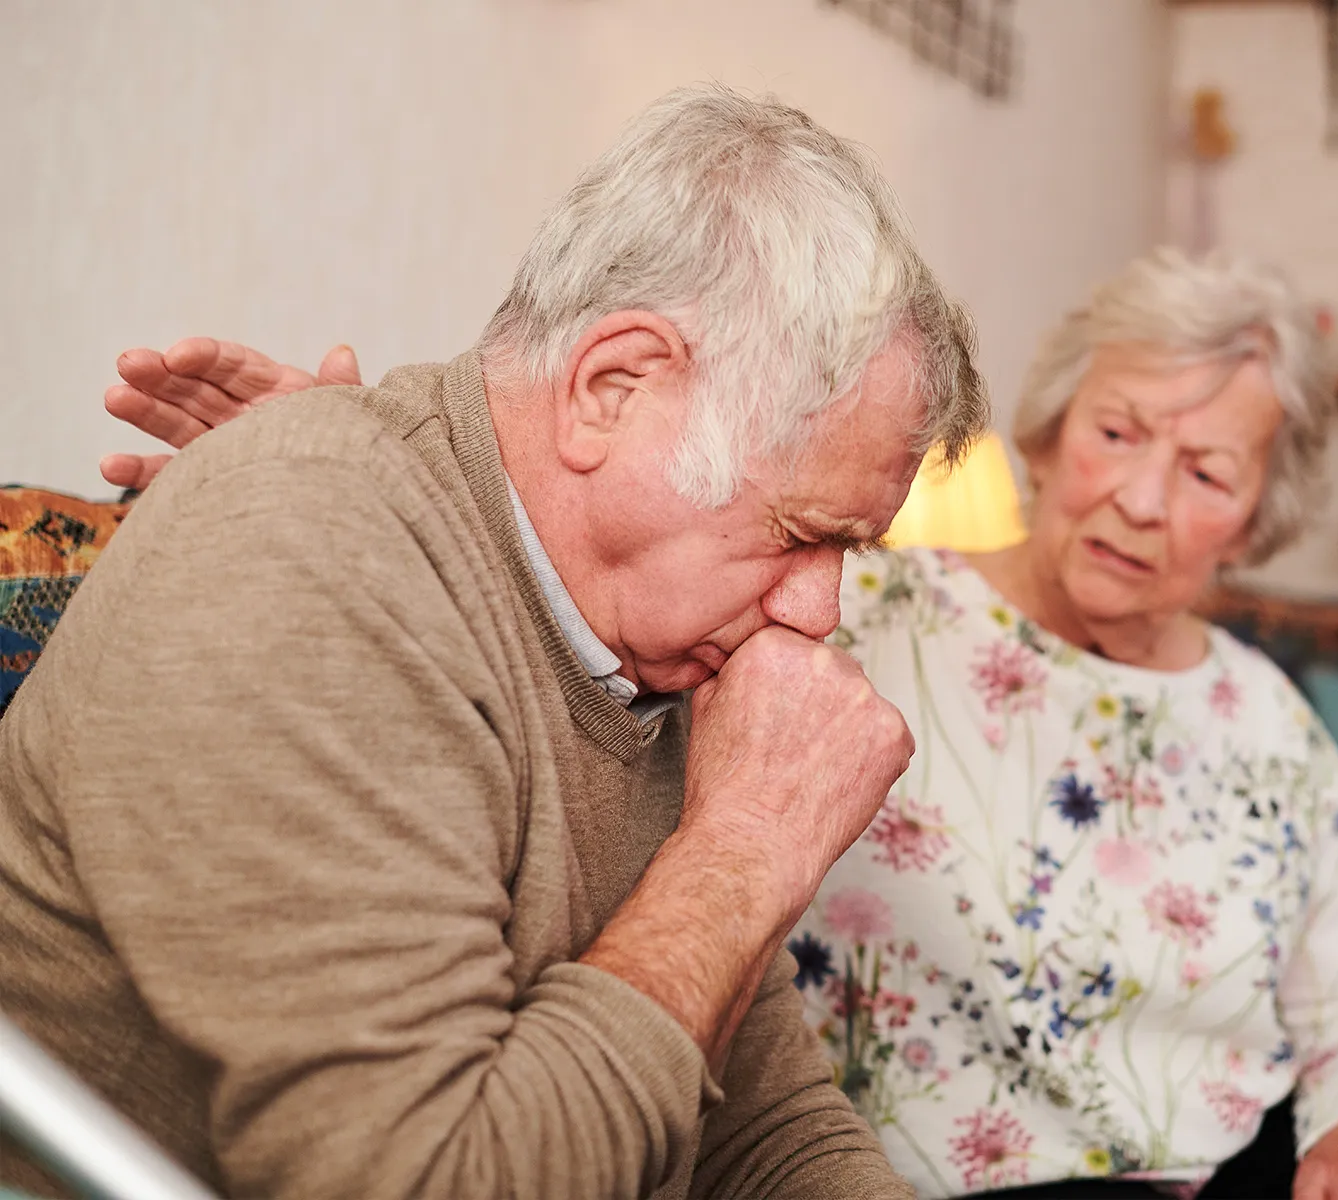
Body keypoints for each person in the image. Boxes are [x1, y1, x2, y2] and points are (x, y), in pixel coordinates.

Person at [96, 253, 1338, 1200]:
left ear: (1263, 515)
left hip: (1241, 1170)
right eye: (1119, 434)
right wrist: (354, 470)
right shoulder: (846, 610)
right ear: (1053, 434)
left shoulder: (1266, 721)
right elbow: (595, 563)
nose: (1140, 495)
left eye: (1206, 471)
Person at [0, 85, 987, 1200]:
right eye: (803, 535)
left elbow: (762, 1128)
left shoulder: (639, 649)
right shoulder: (308, 541)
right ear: (612, 389)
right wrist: (746, 847)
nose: (820, 612)